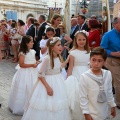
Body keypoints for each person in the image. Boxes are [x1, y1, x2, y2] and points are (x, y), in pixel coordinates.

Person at [21, 37, 71, 120]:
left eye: (61, 45)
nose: (61, 47)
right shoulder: (47, 59)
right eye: (58, 45)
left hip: (58, 83)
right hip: (48, 83)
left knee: (58, 105)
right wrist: (48, 87)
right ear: (52, 47)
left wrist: (68, 60)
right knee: (47, 105)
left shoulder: (58, 57)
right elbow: (40, 74)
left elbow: (58, 67)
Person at [79, 47, 116, 120]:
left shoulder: (107, 74)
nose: (96, 63)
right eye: (94, 60)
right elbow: (83, 97)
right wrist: (86, 113)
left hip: (104, 113)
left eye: (100, 61)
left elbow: (109, 91)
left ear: (104, 62)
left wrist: (112, 106)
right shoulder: (85, 77)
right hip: (92, 114)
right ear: (90, 60)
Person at [8, 35, 39, 115]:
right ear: (26, 43)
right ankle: (22, 107)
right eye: (31, 41)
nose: (33, 43)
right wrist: (32, 65)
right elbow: (21, 64)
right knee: (25, 88)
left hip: (33, 72)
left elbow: (33, 61)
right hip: (25, 73)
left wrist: (36, 63)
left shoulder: (33, 51)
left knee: (32, 87)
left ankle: (31, 106)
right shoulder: (22, 53)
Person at [100, 17, 120, 109]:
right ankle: (119, 102)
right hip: (112, 60)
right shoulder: (108, 35)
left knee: (113, 81)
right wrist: (113, 53)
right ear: (115, 24)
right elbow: (102, 48)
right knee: (118, 80)